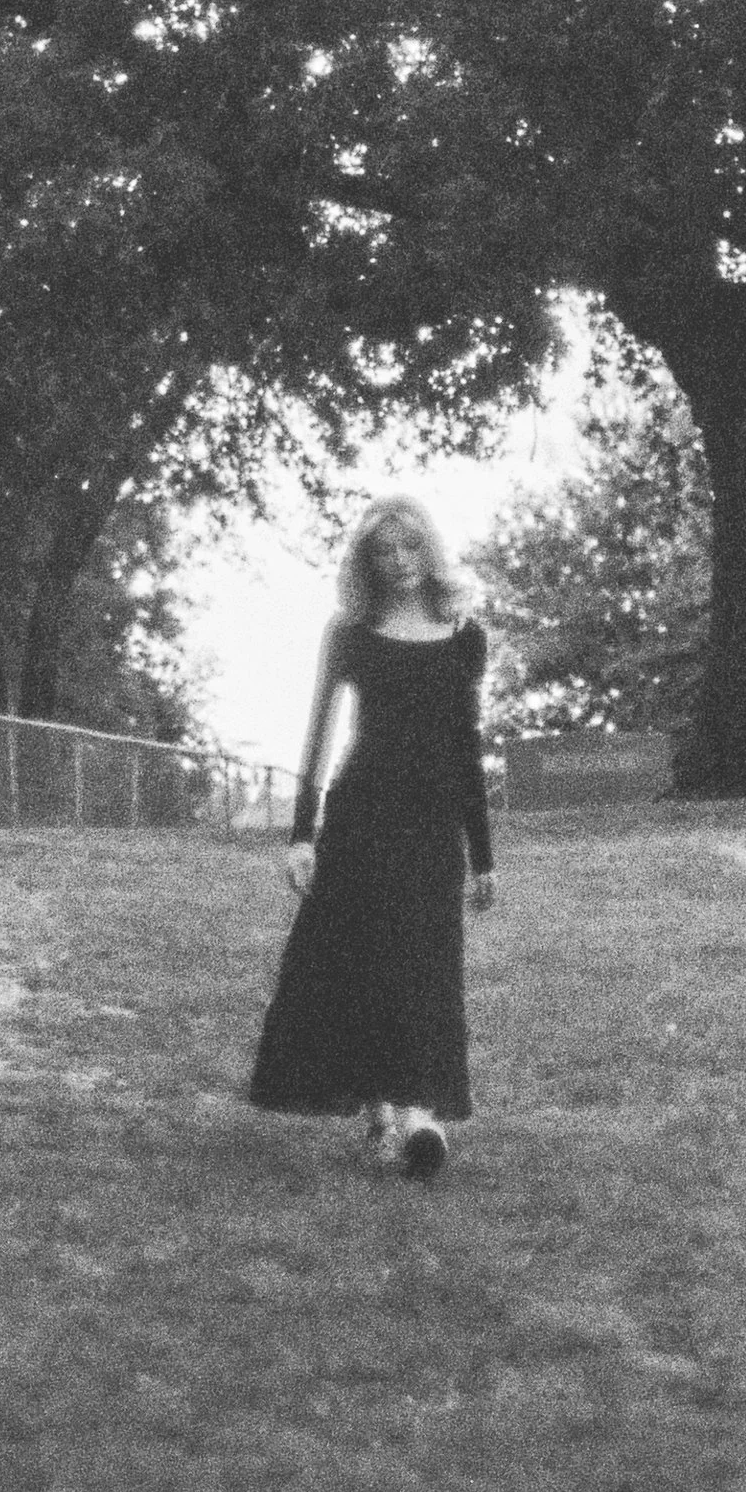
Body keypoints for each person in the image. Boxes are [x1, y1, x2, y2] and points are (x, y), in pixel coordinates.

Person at [246, 493, 498, 1179]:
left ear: (431, 549)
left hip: (433, 822)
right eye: (385, 552)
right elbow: (320, 731)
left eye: (411, 547)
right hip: (361, 816)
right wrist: (303, 835)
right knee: (368, 961)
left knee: (426, 962)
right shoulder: (351, 632)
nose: (400, 562)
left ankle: (421, 1115)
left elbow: (465, 746)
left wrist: (484, 856)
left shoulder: (463, 633)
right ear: (369, 562)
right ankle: (385, 1109)